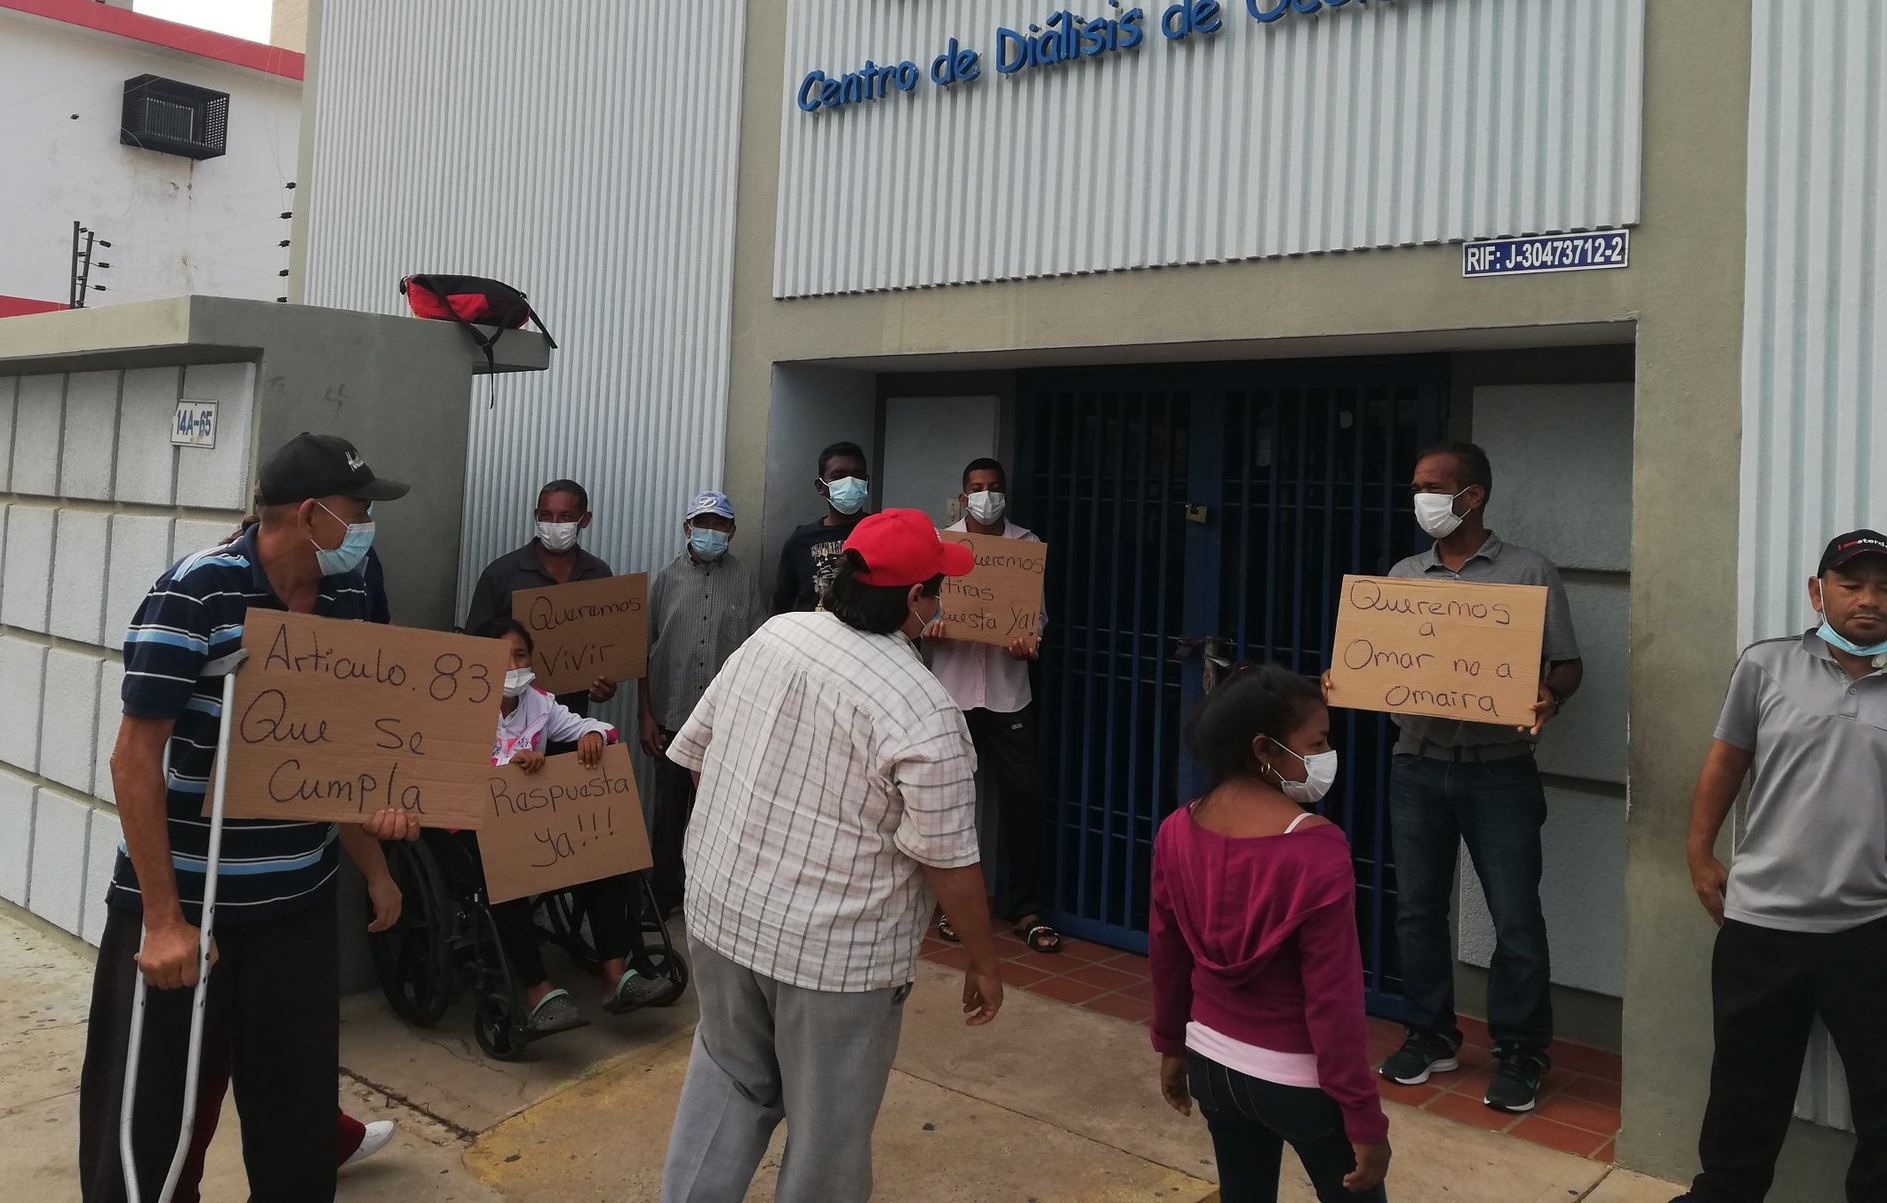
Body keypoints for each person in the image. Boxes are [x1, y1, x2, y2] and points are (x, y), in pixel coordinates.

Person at [78, 433, 421, 1203]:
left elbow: (347, 745)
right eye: (359, 510)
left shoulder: (355, 587)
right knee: (145, 1121)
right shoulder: (195, 591)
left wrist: (378, 859)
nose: (368, 527)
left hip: (294, 905)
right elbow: (135, 756)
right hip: (185, 908)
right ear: (309, 514)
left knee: (295, 1117)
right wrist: (162, 921)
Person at [661, 509, 1003, 1203]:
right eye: (935, 587)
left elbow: (698, 757)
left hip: (723, 916)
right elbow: (947, 861)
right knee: (827, 1137)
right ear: (914, 600)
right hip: (835, 958)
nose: (937, 600)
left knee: (727, 1081)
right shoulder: (922, 704)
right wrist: (983, 958)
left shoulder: (775, 636)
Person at [1341, 442, 1582, 1115]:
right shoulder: (1401, 573)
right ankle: (1429, 1033)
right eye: (1415, 484)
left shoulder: (1528, 571)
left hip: (1499, 771)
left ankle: (1521, 1049)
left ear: (1471, 495)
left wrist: (1548, 696)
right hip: (1415, 766)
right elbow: (1378, 660)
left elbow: (1567, 664)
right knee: (1416, 908)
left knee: (1515, 919)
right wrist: (1348, 679)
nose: (1420, 497)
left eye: (1432, 485)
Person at [1673, 530, 1887, 1203]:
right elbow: (1726, 759)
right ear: (1816, 590)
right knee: (1746, 1084)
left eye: (1884, 586)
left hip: (1868, 926)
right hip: (1762, 920)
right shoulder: (1765, 665)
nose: (1870, 600)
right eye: (1852, 583)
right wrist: (1698, 850)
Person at [1150, 665, 1391, 1203]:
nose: (1328, 755)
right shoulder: (1318, 849)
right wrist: (1362, 1115)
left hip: (1212, 1067)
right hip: (1300, 1083)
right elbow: (1334, 999)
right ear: (1264, 748)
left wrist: (1171, 1044)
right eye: (1319, 742)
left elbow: (1167, 954)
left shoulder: (1176, 830)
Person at [465, 618, 676, 1024]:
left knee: (602, 855)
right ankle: (537, 991)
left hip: (540, 825)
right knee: (505, 877)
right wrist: (509, 764)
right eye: (502, 656)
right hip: (488, 830)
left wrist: (593, 735)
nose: (513, 665)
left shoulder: (540, 703)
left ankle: (615, 976)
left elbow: (591, 726)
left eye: (521, 655)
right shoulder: (465, 705)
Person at [926, 458, 1060, 954]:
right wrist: (931, 631)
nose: (986, 496)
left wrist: (1031, 641)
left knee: (1023, 800)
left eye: (994, 488)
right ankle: (952, 909)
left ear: (1006, 493)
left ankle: (1025, 908)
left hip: (1009, 695)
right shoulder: (941, 546)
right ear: (964, 496)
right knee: (951, 805)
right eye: (977, 488)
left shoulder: (1025, 547)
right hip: (953, 694)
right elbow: (924, 612)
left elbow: (1037, 617)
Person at [637, 490, 765, 917]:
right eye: (703, 523)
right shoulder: (665, 580)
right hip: (672, 718)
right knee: (668, 813)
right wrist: (646, 715)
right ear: (687, 527)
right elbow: (644, 652)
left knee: (722, 816)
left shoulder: (745, 582)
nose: (711, 532)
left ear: (732, 530)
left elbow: (757, 652)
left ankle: (713, 897)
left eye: (720, 524)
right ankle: (664, 894)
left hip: (726, 725)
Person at [462, 478, 619, 723]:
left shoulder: (599, 574)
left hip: (572, 719)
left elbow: (608, 648)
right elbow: (474, 648)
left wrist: (604, 686)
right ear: (536, 516)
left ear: (584, 520)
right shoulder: (501, 573)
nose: (554, 524)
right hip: (508, 721)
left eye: (566, 517)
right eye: (546, 515)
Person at [771, 440, 872, 613]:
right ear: (821, 487)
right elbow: (781, 603)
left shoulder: (882, 532)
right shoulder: (800, 540)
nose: (850, 482)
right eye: (838, 476)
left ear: (866, 482)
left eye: (857, 474)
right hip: (812, 638)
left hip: (866, 638)